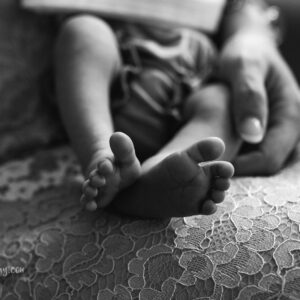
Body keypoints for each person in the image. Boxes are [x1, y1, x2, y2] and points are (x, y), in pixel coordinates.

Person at [55, 0, 300, 218]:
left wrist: (251, 30)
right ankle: (100, 153)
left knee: (222, 99)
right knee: (82, 32)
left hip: (195, 63)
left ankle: (164, 170)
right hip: (114, 41)